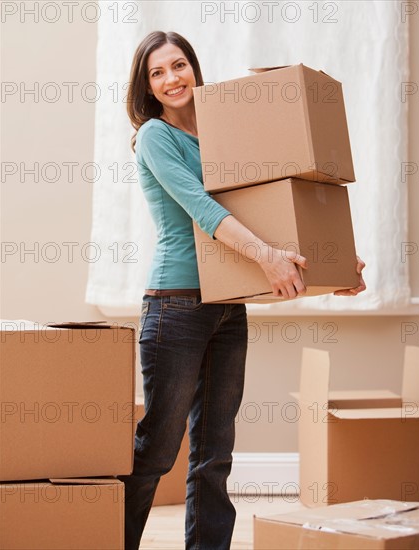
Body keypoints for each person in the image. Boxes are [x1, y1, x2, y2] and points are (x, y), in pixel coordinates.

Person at [117, 31, 366, 550]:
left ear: (194, 67)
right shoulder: (155, 137)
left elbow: (273, 199)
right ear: (146, 86)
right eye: (156, 73)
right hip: (176, 307)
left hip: (228, 305)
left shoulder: (225, 133)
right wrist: (269, 259)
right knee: (158, 450)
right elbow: (206, 212)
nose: (171, 79)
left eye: (178, 65)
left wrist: (332, 262)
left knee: (215, 452)